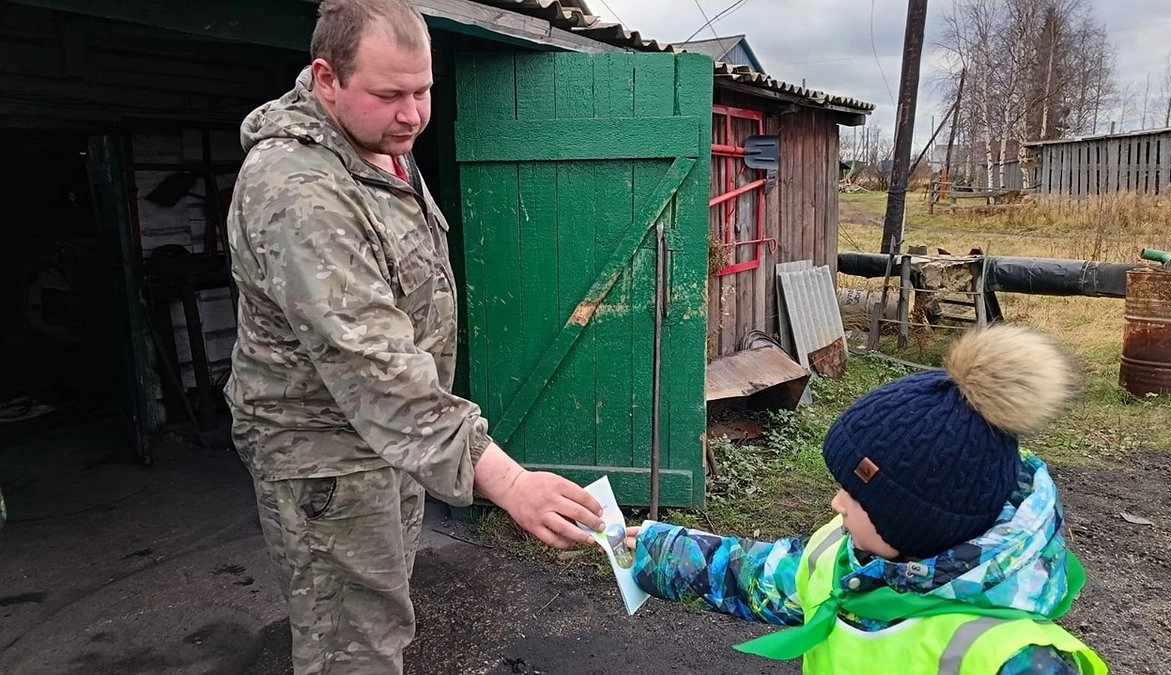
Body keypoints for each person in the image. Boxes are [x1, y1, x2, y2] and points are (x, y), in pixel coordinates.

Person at [222, 1, 605, 672]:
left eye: (423, 90)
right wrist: (510, 481)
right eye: (389, 95)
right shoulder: (299, 189)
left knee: (382, 615)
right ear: (326, 78)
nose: (413, 114)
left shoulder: (375, 145)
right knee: (353, 649)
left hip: (388, 444)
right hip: (328, 461)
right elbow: (372, 362)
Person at [624, 324, 1108, 674]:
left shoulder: (1017, 661)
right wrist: (655, 548)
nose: (837, 504)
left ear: (915, 522)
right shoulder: (850, 561)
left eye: (858, 496)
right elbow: (755, 574)